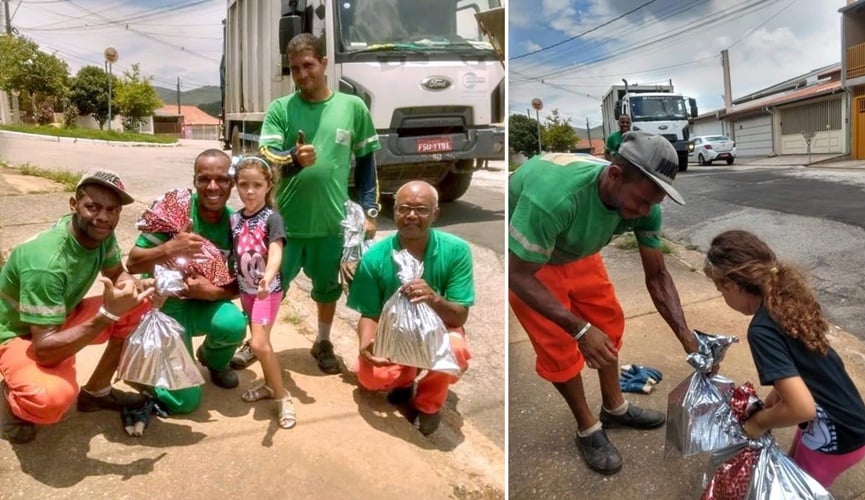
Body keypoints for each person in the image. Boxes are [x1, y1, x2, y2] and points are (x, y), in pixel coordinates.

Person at [508, 131, 698, 476]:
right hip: (531, 260)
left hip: (577, 248)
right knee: (559, 348)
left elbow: (657, 276)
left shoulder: (645, 205)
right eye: (640, 201)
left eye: (652, 204)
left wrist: (686, 336)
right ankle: (588, 428)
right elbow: (517, 275)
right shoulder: (553, 199)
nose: (644, 211)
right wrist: (579, 329)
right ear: (615, 175)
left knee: (607, 325)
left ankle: (614, 407)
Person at [233, 32, 381, 375]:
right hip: (284, 224)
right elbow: (267, 155)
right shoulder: (281, 109)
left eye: (309, 65)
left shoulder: (352, 107)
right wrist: (294, 158)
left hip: (331, 223)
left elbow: (367, 162)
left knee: (327, 288)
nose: (302, 74)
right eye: (295, 68)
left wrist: (370, 211)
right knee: (269, 285)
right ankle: (256, 340)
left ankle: (324, 341)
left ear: (324, 63)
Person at [0, 170, 153, 443]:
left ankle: (97, 392)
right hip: (18, 334)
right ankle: (12, 397)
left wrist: (135, 286)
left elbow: (117, 272)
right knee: (51, 399)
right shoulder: (47, 263)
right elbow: (44, 350)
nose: (104, 217)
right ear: (74, 205)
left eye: (112, 210)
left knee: (140, 304)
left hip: (58, 319)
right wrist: (106, 315)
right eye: (93, 207)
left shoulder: (100, 234)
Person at [704, 229, 865, 488]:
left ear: (732, 285)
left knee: (797, 490)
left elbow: (802, 407)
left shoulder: (761, 331)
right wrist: (770, 404)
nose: (724, 299)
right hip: (847, 416)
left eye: (721, 291)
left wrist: (758, 422)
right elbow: (800, 371)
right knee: (791, 465)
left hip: (835, 437)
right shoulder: (784, 301)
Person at [126, 149, 247, 415]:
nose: (212, 187)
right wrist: (169, 249)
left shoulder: (237, 224)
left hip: (202, 305)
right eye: (204, 179)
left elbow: (246, 283)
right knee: (186, 401)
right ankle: (144, 376)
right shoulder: (175, 211)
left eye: (222, 179)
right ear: (194, 181)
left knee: (234, 323)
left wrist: (213, 292)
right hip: (166, 308)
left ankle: (214, 361)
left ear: (232, 182)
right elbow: (133, 263)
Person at [347, 181, 473, 436]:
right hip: (394, 331)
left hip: (440, 329)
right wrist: (366, 344)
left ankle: (428, 403)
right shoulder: (375, 258)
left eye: (421, 209)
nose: (411, 215)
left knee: (456, 350)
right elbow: (369, 313)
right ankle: (404, 380)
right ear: (394, 212)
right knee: (371, 378)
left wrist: (433, 299)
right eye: (404, 208)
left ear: (435, 214)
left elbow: (459, 314)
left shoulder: (457, 251)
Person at [230, 155, 295, 429]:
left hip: (267, 293)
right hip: (246, 291)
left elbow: (276, 252)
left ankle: (282, 397)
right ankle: (270, 386)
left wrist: (267, 278)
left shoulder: (272, 218)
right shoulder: (233, 218)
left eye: (257, 184)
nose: (250, 191)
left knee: (257, 345)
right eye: (243, 184)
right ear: (236, 185)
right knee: (262, 342)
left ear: (269, 185)